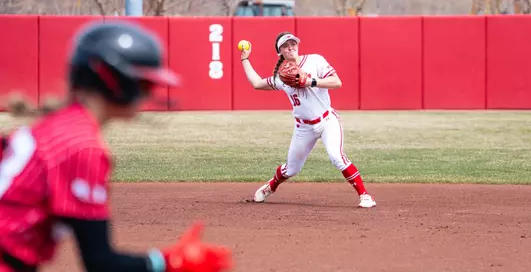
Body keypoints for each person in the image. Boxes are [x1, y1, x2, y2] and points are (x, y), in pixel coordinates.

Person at [0, 21, 233, 272]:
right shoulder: (82, 146)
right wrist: (168, 262)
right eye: (144, 84)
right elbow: (99, 262)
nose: (147, 93)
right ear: (112, 79)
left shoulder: (60, 125)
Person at [240, 31, 377, 208]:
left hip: (327, 120)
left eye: (292, 44)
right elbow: (257, 84)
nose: (290, 48)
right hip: (303, 128)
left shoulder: (315, 60)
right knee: (292, 169)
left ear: (297, 45)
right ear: (279, 52)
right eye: (285, 46)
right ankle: (269, 187)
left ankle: (365, 196)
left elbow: (337, 82)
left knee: (337, 157)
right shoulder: (281, 77)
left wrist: (311, 81)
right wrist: (245, 59)